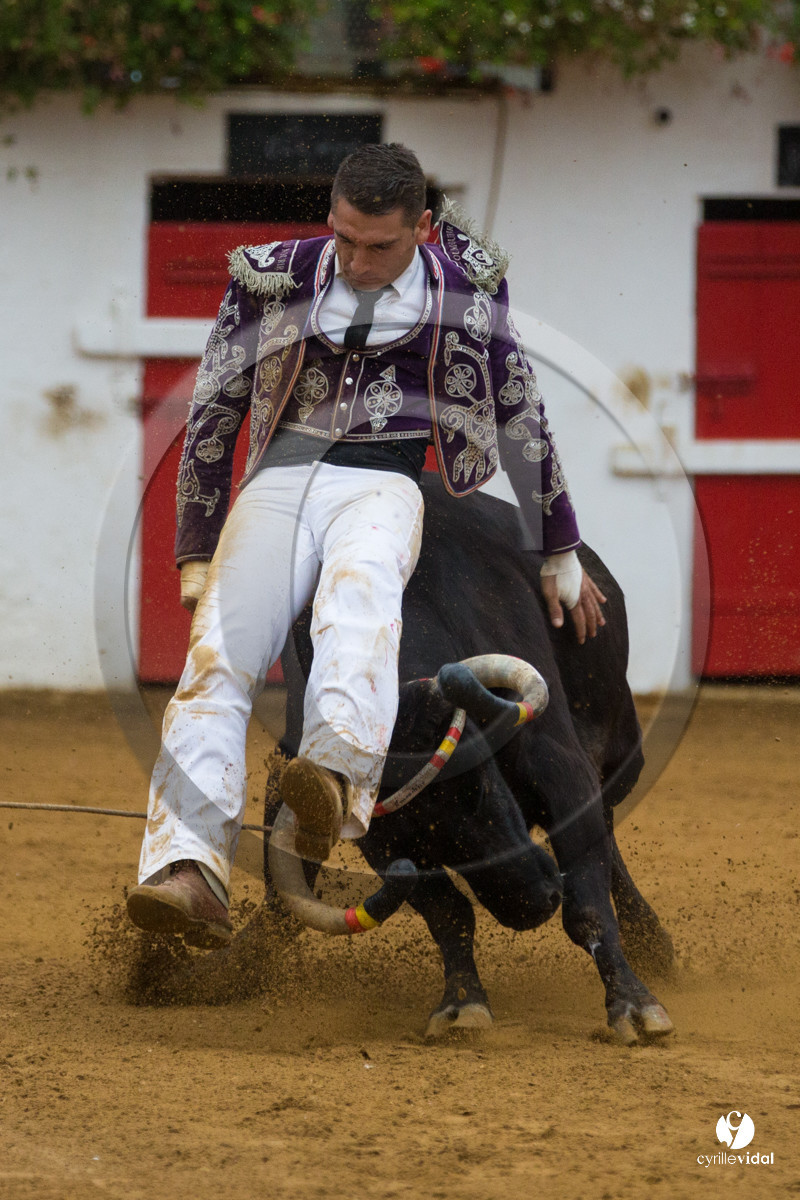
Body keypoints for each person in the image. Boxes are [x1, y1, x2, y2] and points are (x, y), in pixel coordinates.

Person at [126, 142, 606, 948]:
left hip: (383, 481)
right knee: (215, 659)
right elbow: (214, 406)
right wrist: (196, 545)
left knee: (359, 600)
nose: (355, 258)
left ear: (422, 226)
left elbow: (518, 406)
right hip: (277, 484)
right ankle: (187, 868)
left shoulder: (469, 283)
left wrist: (559, 547)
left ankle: (334, 773)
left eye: (377, 245)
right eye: (344, 238)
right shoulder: (270, 275)